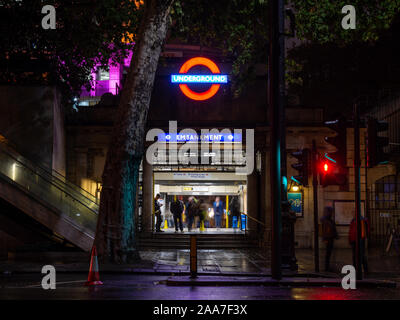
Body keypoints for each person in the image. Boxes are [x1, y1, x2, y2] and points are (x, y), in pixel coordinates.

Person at [321, 206, 338, 272]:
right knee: (328, 254)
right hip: (329, 238)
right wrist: (326, 238)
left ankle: (328, 267)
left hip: (330, 238)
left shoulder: (329, 220)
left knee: (329, 254)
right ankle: (327, 267)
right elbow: (327, 230)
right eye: (331, 211)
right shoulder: (327, 220)